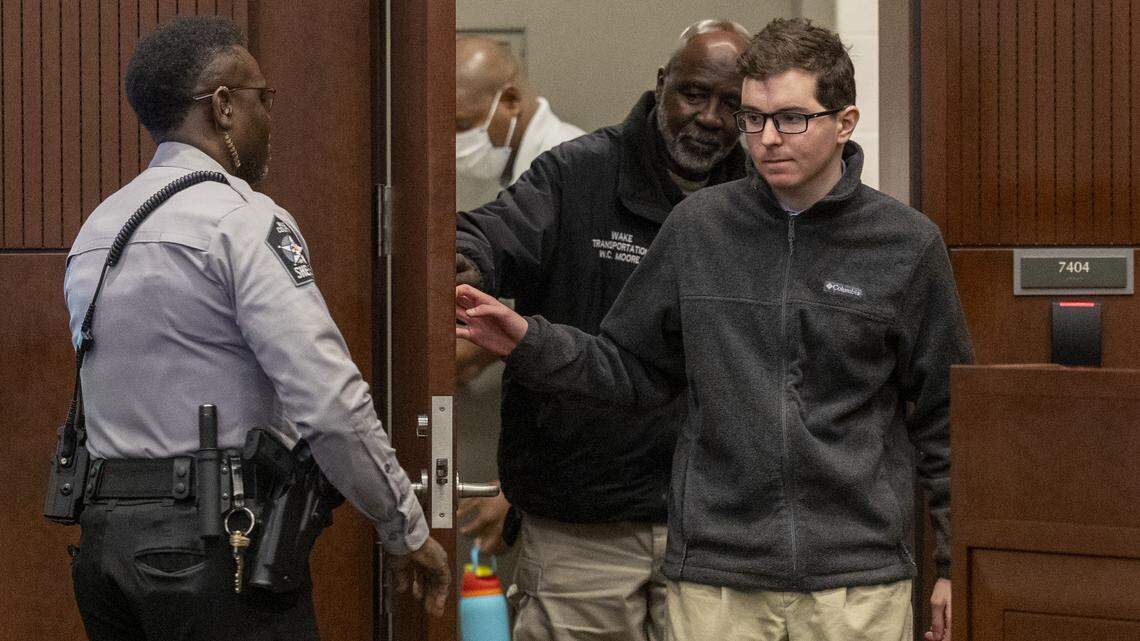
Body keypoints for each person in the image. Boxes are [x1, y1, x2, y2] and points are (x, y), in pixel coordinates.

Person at [456, 17, 970, 641]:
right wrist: (525, 339)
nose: (763, 138)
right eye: (753, 119)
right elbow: (631, 368)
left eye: (789, 118)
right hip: (705, 564)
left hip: (854, 576)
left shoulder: (905, 246)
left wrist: (953, 560)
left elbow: (946, 416)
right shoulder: (693, 225)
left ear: (844, 122)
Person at [63, 16, 448, 640]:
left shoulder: (98, 229)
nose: (270, 117)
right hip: (211, 550)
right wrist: (404, 525)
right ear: (223, 107)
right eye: (262, 98)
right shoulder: (240, 221)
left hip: (107, 549)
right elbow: (330, 403)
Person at [454, 19, 751, 641]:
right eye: (694, 94)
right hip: (581, 527)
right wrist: (467, 259)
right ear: (663, 83)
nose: (710, 119)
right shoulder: (579, 173)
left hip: (713, 530)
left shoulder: (758, 193)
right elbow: (488, 233)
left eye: (732, 104)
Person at [452, 37, 586, 568]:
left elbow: (576, 346)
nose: (454, 141)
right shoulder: (528, 177)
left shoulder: (570, 174)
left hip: (578, 468)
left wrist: (516, 494)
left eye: (461, 122)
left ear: (509, 102)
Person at [455, 35, 585, 210]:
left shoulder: (572, 169)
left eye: (463, 125)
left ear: (511, 100)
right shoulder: (513, 170)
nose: (455, 142)